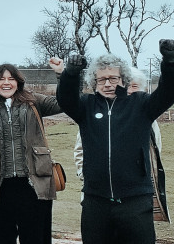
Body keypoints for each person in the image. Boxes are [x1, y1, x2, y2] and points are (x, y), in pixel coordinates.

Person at [57, 39, 174, 244]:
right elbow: (65, 99)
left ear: (123, 79)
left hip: (135, 201)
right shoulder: (86, 106)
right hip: (96, 201)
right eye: (101, 79)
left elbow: (168, 92)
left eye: (113, 78)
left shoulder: (141, 104)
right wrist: (70, 74)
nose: (108, 84)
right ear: (94, 82)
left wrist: (170, 62)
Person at [0, 61, 63, 243]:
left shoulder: (33, 101)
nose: (6, 83)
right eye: (1, 79)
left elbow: (63, 103)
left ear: (18, 82)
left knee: (35, 239)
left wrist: (62, 76)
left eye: (11, 79)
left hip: (33, 185)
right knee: (2, 238)